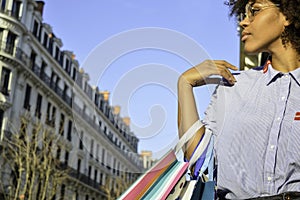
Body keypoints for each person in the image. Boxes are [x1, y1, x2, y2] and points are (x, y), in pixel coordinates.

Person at [177, 0, 300, 199]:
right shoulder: (233, 86)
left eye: (255, 11)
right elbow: (198, 161)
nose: (243, 22)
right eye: (243, 15)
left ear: (287, 15)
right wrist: (184, 85)